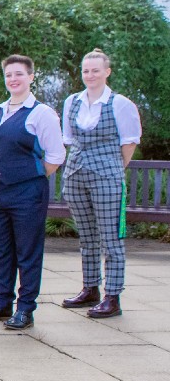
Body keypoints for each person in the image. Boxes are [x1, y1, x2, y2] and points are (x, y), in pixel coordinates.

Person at [0, 54, 65, 330]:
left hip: (28, 193)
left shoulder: (41, 113)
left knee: (28, 252)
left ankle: (25, 308)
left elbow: (56, 156)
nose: (13, 79)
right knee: (1, 250)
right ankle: (2, 303)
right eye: (9, 75)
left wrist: (31, 178)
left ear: (31, 77)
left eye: (19, 74)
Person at [59, 49, 141, 318]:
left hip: (107, 176)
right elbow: (69, 138)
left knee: (111, 238)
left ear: (107, 72)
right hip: (75, 175)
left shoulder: (120, 104)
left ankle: (113, 296)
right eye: (86, 71)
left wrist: (112, 169)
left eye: (95, 70)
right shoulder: (72, 101)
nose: (90, 75)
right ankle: (90, 288)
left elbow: (128, 143)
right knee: (87, 236)